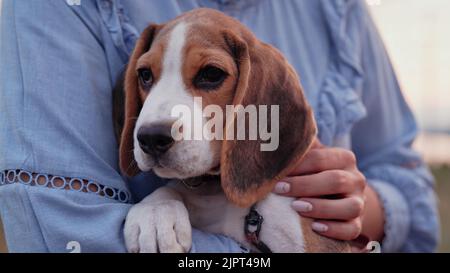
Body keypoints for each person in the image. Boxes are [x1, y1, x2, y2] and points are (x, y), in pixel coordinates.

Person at [0, 0, 439, 253]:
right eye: (147, 77)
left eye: (209, 75)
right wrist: (163, 202)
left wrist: (359, 205)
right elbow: (59, 233)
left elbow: (409, 188)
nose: (152, 123)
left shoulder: (335, 8)